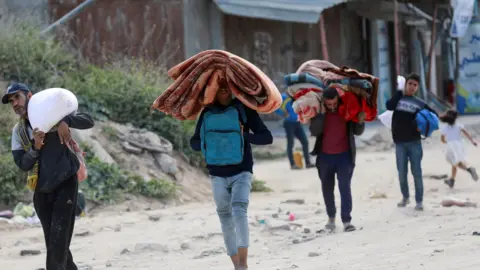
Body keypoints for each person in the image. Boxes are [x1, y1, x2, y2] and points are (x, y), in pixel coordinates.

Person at [3, 82, 94, 270]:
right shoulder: (18, 132)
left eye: (17, 97)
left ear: (30, 96)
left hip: (66, 184)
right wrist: (36, 146)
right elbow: (22, 163)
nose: (15, 104)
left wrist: (65, 121)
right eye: (11, 101)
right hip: (41, 192)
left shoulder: (55, 115)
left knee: (58, 243)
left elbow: (88, 120)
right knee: (56, 246)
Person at [190, 86, 273, 270]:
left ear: (233, 87)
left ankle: (243, 264)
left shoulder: (244, 109)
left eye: (226, 85)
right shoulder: (207, 112)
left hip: (242, 170)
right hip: (217, 173)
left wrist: (243, 135)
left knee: (238, 210)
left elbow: (267, 137)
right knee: (225, 216)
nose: (223, 89)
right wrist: (209, 140)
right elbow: (195, 143)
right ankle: (237, 265)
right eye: (218, 85)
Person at [309, 87, 365, 232]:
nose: (332, 107)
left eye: (334, 104)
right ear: (324, 103)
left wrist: (360, 121)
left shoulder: (346, 110)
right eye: (329, 105)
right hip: (325, 158)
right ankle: (331, 218)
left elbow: (358, 132)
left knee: (344, 188)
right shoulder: (319, 113)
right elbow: (314, 131)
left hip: (344, 157)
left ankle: (347, 221)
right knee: (327, 189)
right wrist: (321, 115)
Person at [386, 73, 437, 211]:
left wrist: (422, 125)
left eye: (415, 85)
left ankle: (419, 201)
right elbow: (389, 106)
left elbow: (434, 116)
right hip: (399, 143)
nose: (412, 87)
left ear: (418, 87)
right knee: (402, 173)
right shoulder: (398, 99)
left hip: (415, 142)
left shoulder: (420, 103)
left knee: (416, 172)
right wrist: (399, 92)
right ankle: (405, 197)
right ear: (406, 84)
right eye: (410, 84)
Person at [274, 92, 314, 170]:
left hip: (297, 122)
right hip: (289, 123)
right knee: (291, 143)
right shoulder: (284, 97)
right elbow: (275, 106)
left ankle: (308, 163)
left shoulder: (298, 98)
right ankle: (292, 165)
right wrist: (282, 113)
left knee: (305, 142)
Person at [439, 109, 478, 188]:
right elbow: (467, 134)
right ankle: (452, 181)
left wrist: (446, 142)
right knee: (455, 162)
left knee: (452, 161)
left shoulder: (445, 128)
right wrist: (472, 141)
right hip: (460, 145)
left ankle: (469, 169)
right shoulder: (459, 125)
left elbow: (442, 140)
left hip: (451, 146)